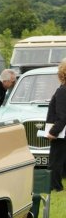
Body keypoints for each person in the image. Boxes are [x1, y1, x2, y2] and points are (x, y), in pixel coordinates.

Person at [45, 59, 66, 192]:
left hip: (61, 133)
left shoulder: (62, 91)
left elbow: (62, 116)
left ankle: (55, 187)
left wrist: (53, 132)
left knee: (55, 161)